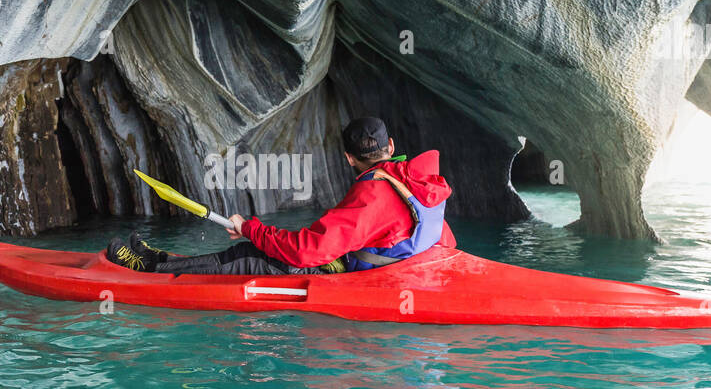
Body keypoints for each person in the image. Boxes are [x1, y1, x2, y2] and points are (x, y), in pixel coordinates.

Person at [105, 116, 456, 275]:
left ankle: (147, 268)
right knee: (253, 248)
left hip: (359, 270)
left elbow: (308, 252)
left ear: (348, 158)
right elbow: (440, 235)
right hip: (388, 258)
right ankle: (159, 258)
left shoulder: (374, 193)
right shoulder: (419, 177)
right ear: (391, 146)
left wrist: (252, 229)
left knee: (247, 258)